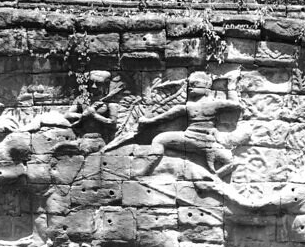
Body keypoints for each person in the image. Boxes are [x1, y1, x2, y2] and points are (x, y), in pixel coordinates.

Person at [104, 69, 246, 179]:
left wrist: (231, 85)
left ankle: (214, 177)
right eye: (190, 85)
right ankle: (145, 172)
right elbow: (167, 116)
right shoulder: (189, 106)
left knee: (230, 161)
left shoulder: (214, 104)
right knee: (160, 139)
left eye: (195, 85)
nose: (190, 87)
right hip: (191, 139)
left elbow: (235, 106)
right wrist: (149, 121)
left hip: (205, 142)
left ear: (207, 87)